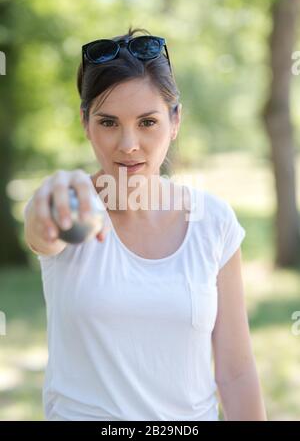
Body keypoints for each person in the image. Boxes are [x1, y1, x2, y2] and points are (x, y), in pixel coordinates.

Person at [23, 26, 267, 421]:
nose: (128, 144)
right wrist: (46, 203)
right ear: (86, 123)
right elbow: (41, 230)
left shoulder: (214, 222)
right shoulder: (67, 206)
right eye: (108, 122)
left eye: (148, 122)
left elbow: (236, 373)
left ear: (175, 121)